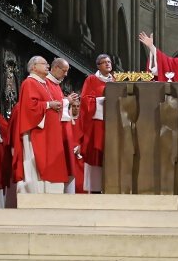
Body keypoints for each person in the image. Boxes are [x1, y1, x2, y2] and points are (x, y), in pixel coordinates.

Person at [14, 56, 71, 193]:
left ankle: (50, 191)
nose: (47, 66)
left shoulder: (43, 83)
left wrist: (56, 105)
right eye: (44, 64)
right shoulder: (29, 83)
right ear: (33, 67)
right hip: (37, 131)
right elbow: (29, 108)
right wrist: (48, 104)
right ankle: (37, 191)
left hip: (49, 131)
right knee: (37, 162)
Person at [78, 54, 113, 193]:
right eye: (104, 62)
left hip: (111, 123)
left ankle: (111, 185)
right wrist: (100, 100)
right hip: (97, 123)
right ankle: (96, 188)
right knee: (96, 153)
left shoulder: (115, 80)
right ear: (98, 66)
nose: (108, 64)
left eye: (109, 62)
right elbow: (85, 100)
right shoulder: (91, 79)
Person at [47, 58, 81, 194]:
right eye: (64, 71)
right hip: (53, 134)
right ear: (55, 67)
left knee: (67, 169)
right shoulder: (46, 84)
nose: (66, 74)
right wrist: (66, 101)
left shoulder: (55, 85)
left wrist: (66, 101)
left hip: (61, 132)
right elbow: (50, 105)